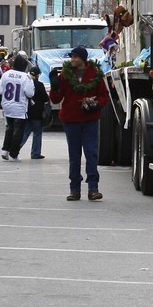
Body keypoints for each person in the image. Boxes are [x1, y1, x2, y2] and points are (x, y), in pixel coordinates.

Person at [49, 45, 108, 200]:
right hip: (71, 120)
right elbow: (56, 99)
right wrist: (54, 85)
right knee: (74, 156)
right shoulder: (65, 76)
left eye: (75, 57)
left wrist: (96, 104)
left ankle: (93, 188)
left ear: (83, 59)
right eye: (72, 57)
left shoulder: (94, 74)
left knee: (91, 153)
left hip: (90, 120)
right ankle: (74, 189)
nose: (72, 60)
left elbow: (104, 95)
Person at [0, 54, 35, 161]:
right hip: (19, 107)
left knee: (9, 128)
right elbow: (29, 93)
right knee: (18, 131)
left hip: (7, 105)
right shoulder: (26, 77)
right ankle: (14, 154)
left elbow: (0, 91)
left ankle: (5, 149)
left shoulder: (6, 74)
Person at [20, 65, 50, 160]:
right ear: (38, 75)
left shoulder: (24, 83)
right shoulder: (39, 85)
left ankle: (14, 149)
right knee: (37, 133)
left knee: (25, 133)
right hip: (37, 113)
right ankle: (35, 153)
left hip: (26, 111)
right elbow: (45, 98)